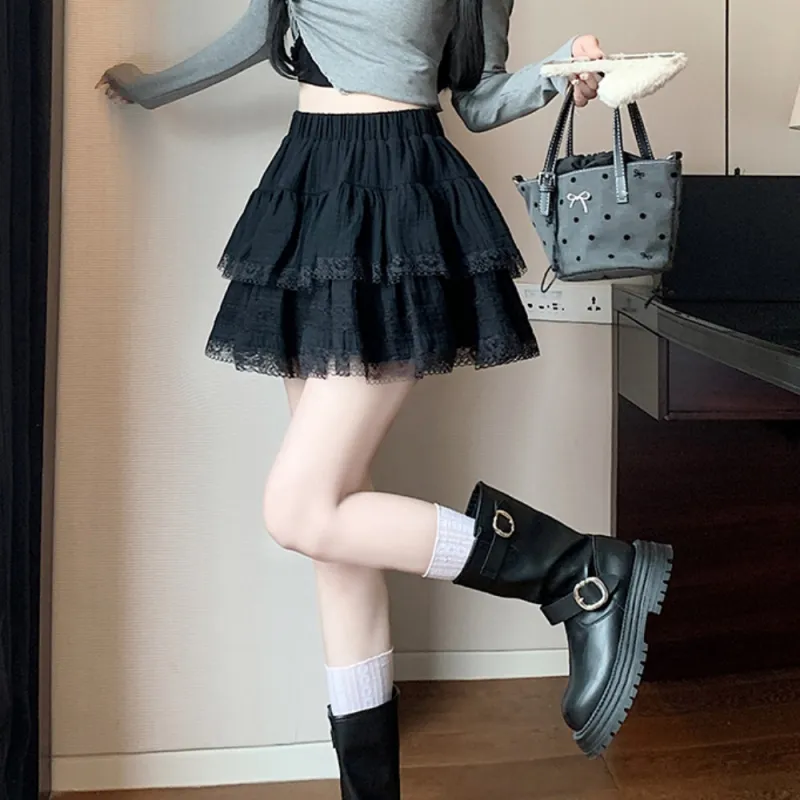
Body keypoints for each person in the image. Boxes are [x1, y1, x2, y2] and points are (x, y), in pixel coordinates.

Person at [98, 1, 673, 796]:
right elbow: (254, 34)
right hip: (308, 185)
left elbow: (478, 97)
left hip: (400, 189)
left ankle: (576, 571)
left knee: (299, 510)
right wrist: (149, 88)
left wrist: (557, 71)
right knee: (333, 537)